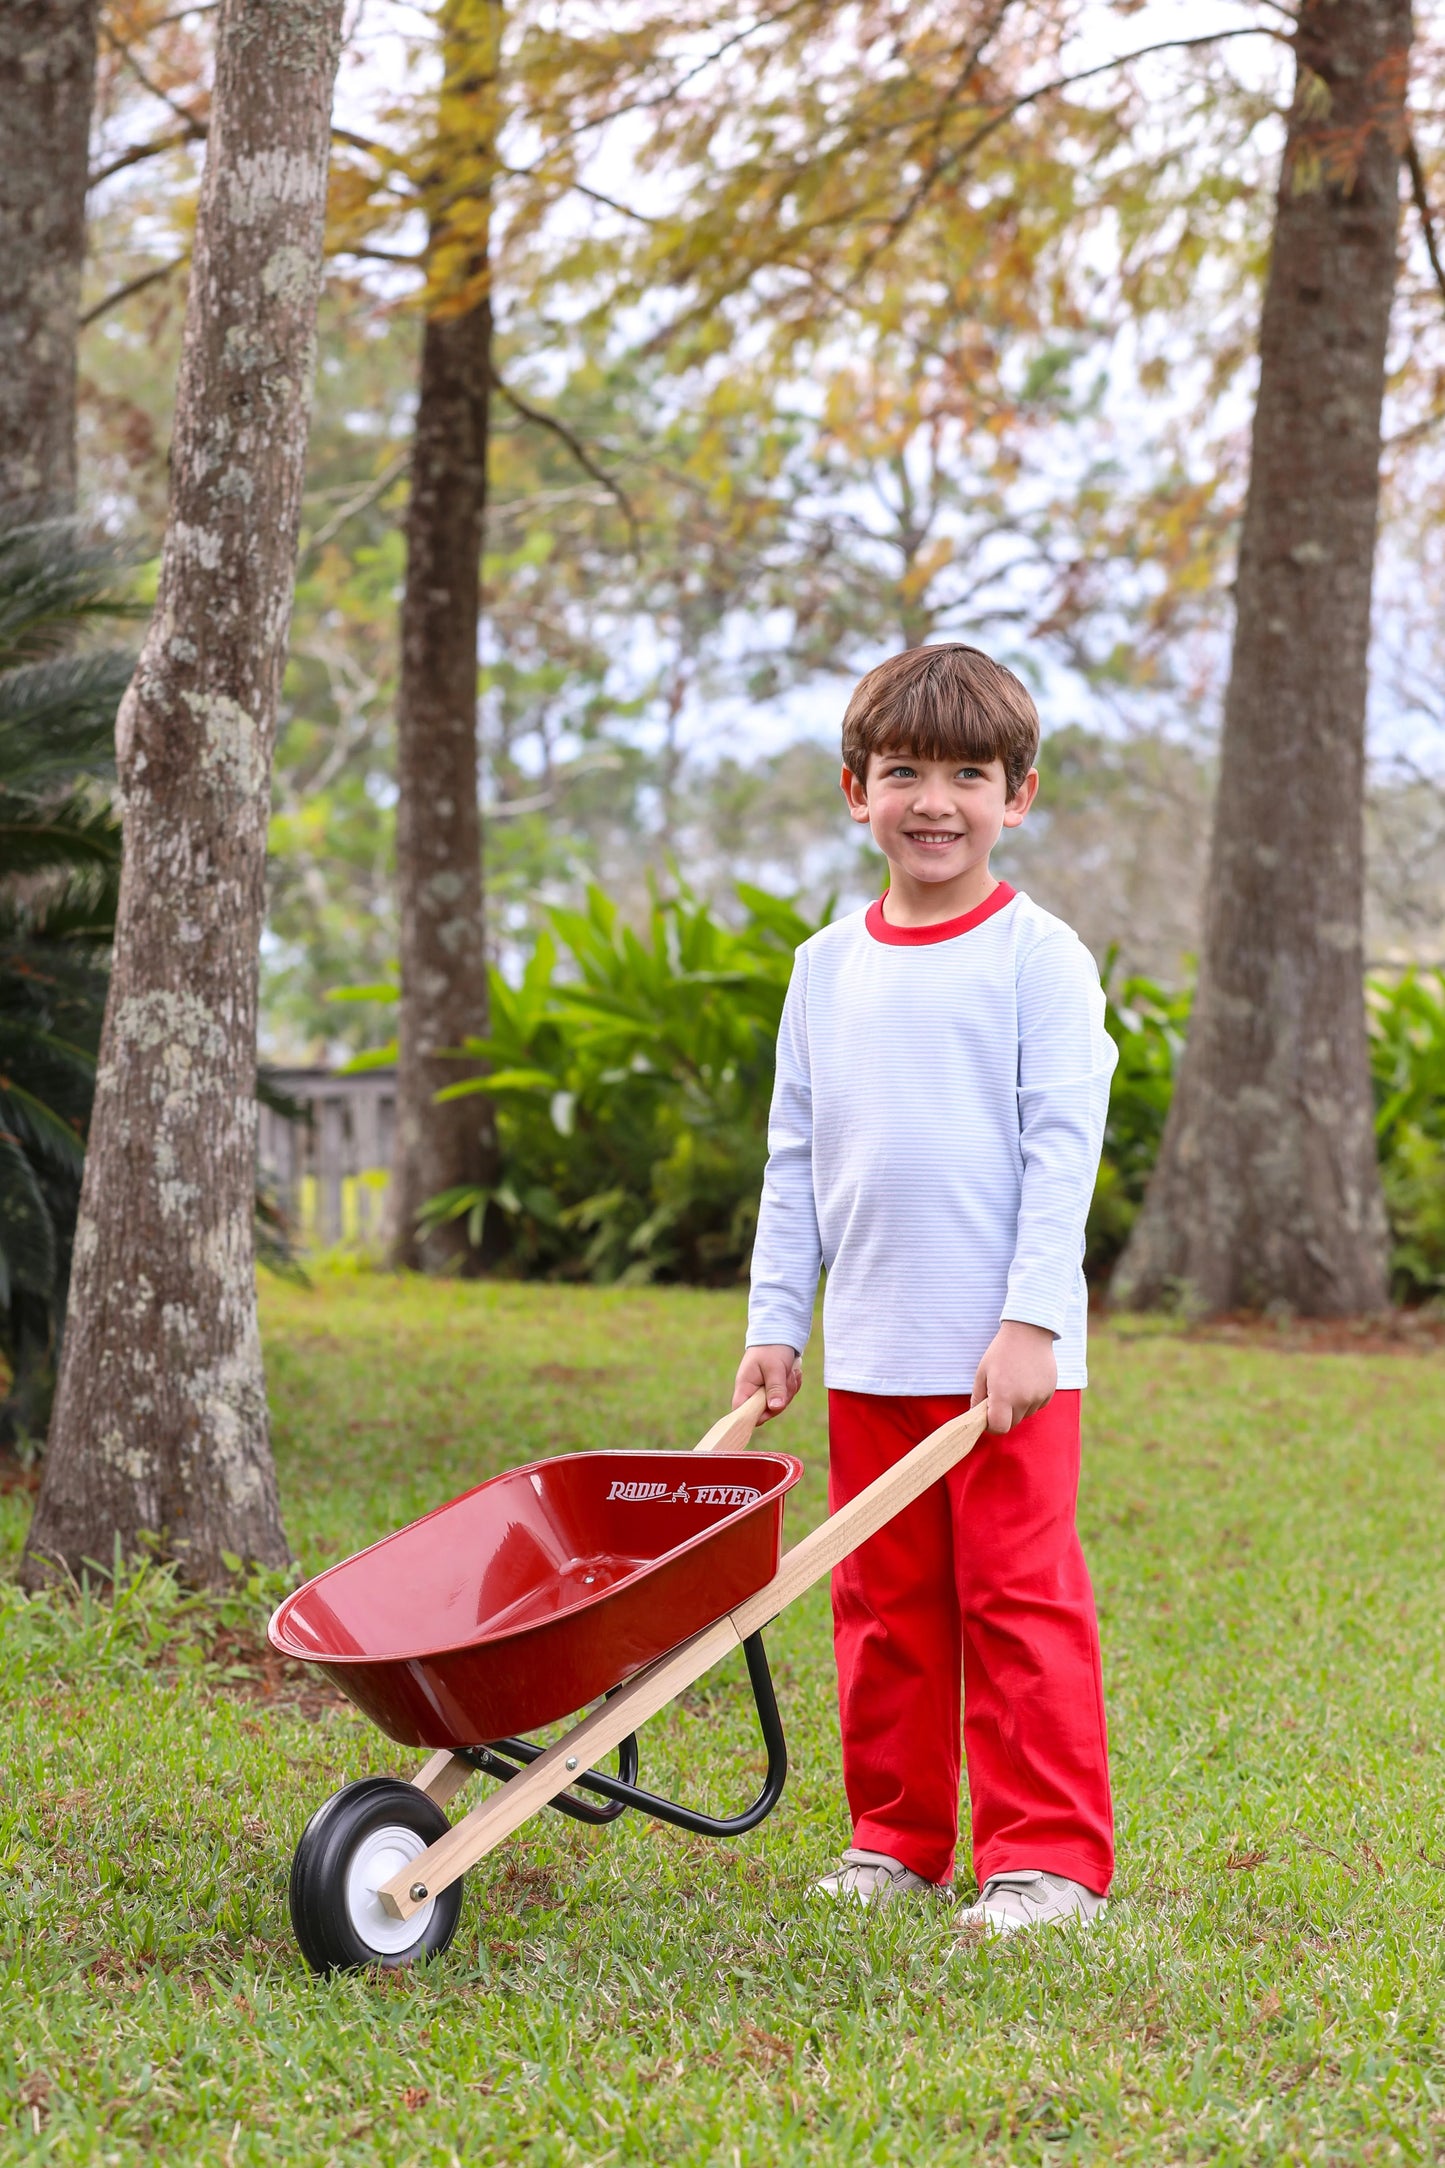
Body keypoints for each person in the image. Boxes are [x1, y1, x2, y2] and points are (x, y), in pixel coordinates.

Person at [732, 643, 1117, 1935]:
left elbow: (1064, 1153)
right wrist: (776, 1324)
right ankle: (895, 1839)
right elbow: (793, 1154)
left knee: (1014, 1602)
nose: (934, 800)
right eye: (903, 771)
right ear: (856, 791)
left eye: (969, 773)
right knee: (882, 1607)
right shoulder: (822, 967)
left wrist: (1031, 1325)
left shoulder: (1038, 958)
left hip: (1003, 1369)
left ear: (1018, 796)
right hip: (871, 1358)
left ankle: (1048, 1865)